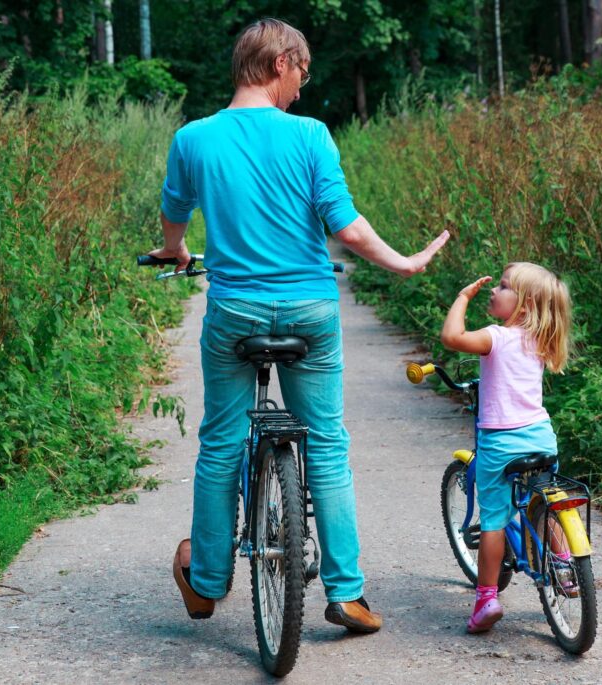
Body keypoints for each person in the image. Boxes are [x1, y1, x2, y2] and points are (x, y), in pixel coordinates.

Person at [149, 18, 449, 634]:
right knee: (328, 445)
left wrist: (174, 252)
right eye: (302, 74)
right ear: (280, 62)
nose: (302, 90)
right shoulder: (311, 136)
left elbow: (173, 215)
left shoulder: (194, 139)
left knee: (221, 444)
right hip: (311, 312)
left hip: (235, 313)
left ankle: (206, 581)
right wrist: (404, 261)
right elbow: (346, 227)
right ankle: (347, 594)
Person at [439, 262, 571, 633]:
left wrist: (463, 296)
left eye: (502, 286)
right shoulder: (540, 339)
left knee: (494, 520)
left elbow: (452, 336)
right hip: (541, 438)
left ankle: (486, 599)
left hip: (499, 444)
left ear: (525, 305)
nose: (493, 291)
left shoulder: (496, 337)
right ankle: (563, 563)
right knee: (543, 503)